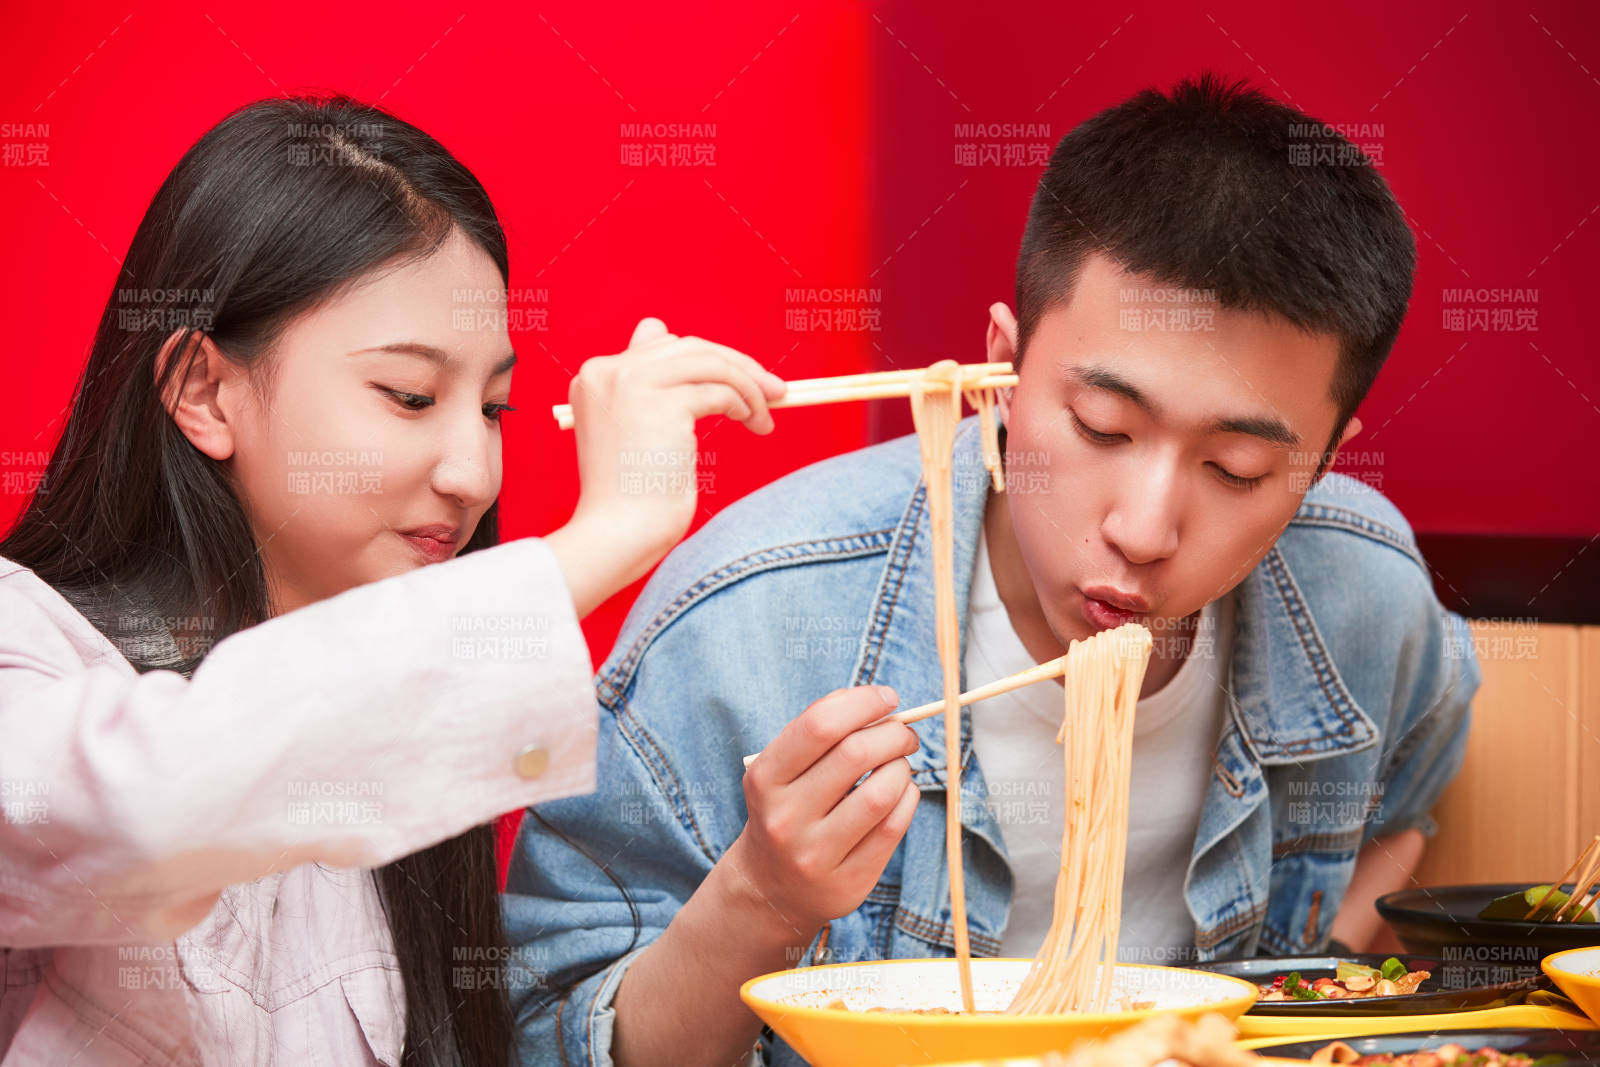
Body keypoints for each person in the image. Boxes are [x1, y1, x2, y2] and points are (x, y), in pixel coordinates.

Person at [503, 73, 1481, 1067]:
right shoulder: (749, 616)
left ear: (1321, 460)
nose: (1142, 529)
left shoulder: (1363, 590)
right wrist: (759, 896)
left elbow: (1406, 803)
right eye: (1101, 427)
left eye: (1237, 468)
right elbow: (549, 1032)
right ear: (999, 369)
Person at [0, 94, 784, 1065]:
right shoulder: (20, 645)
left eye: (491, 407)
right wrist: (608, 532)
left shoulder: (393, 730)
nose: (471, 471)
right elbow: (156, 801)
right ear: (203, 390)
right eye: (409, 395)